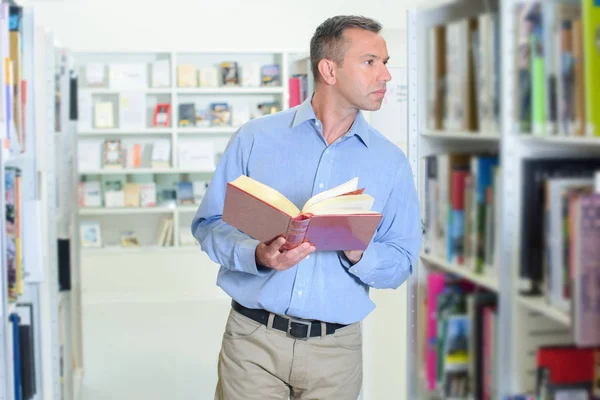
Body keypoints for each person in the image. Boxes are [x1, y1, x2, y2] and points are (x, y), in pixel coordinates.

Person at [191, 15, 422, 400]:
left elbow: (403, 261)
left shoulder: (391, 163)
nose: (386, 76)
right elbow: (209, 224)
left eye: (386, 62)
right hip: (252, 343)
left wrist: (359, 250)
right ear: (328, 69)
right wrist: (258, 254)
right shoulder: (255, 138)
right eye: (370, 62)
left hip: (336, 354)